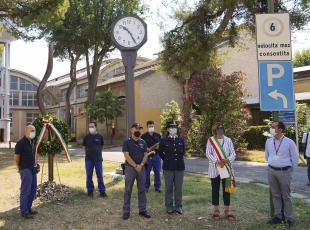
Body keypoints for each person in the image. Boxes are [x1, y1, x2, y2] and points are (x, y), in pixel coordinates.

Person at [265, 121, 299, 228]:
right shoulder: (269, 141)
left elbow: (295, 158)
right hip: (271, 171)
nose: (271, 128)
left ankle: (289, 218)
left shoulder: (289, 142)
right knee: (275, 195)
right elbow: (267, 156)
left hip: (284, 171)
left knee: (286, 196)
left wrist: (289, 170)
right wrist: (272, 162)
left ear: (280, 129)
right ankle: (278, 217)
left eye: (273, 127)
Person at [206, 123, 236, 221]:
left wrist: (227, 160)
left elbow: (233, 153)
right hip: (215, 168)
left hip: (226, 167)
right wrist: (217, 161)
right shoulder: (211, 140)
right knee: (215, 189)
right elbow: (208, 153)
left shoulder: (228, 140)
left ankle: (227, 210)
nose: (220, 130)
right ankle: (216, 210)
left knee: (227, 189)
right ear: (215, 130)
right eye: (218, 129)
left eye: (221, 128)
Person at [122, 122, 151, 220]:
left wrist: (141, 165)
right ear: (131, 130)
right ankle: (126, 211)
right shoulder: (127, 142)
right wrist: (135, 166)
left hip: (141, 169)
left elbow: (145, 154)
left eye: (139, 129)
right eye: (136, 129)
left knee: (142, 190)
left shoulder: (143, 142)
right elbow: (126, 155)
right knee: (128, 190)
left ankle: (142, 210)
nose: (138, 131)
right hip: (130, 169)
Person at [158, 121, 185, 214]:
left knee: (178, 188)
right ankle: (169, 206)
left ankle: (178, 206)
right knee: (169, 188)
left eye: (175, 127)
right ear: (168, 129)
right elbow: (160, 152)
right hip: (168, 167)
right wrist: (167, 159)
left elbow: (183, 151)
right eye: (171, 127)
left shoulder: (180, 140)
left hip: (179, 167)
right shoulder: (163, 140)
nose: (174, 129)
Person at [14, 125, 39, 219]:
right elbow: (16, 158)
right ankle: (24, 211)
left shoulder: (32, 142)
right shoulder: (20, 143)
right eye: (32, 131)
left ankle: (28, 208)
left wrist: (36, 164)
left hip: (33, 169)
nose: (34, 132)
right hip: (25, 169)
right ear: (26, 131)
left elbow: (34, 155)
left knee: (33, 190)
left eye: (34, 131)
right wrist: (20, 168)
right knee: (25, 190)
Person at [83, 121, 107, 198]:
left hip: (98, 159)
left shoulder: (100, 136)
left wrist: (98, 153)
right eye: (89, 127)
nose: (90, 128)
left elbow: (101, 146)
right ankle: (90, 191)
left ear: (96, 127)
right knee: (89, 175)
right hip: (88, 159)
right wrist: (88, 154)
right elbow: (84, 147)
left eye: (92, 126)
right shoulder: (86, 137)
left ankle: (102, 191)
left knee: (100, 175)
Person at [141, 120, 162, 193]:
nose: (151, 127)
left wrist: (158, 147)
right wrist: (146, 149)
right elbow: (141, 146)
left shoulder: (158, 135)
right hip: (147, 157)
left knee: (157, 172)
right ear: (147, 127)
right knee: (147, 172)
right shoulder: (143, 136)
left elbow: (161, 145)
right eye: (150, 126)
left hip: (156, 156)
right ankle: (146, 187)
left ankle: (158, 186)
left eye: (152, 126)